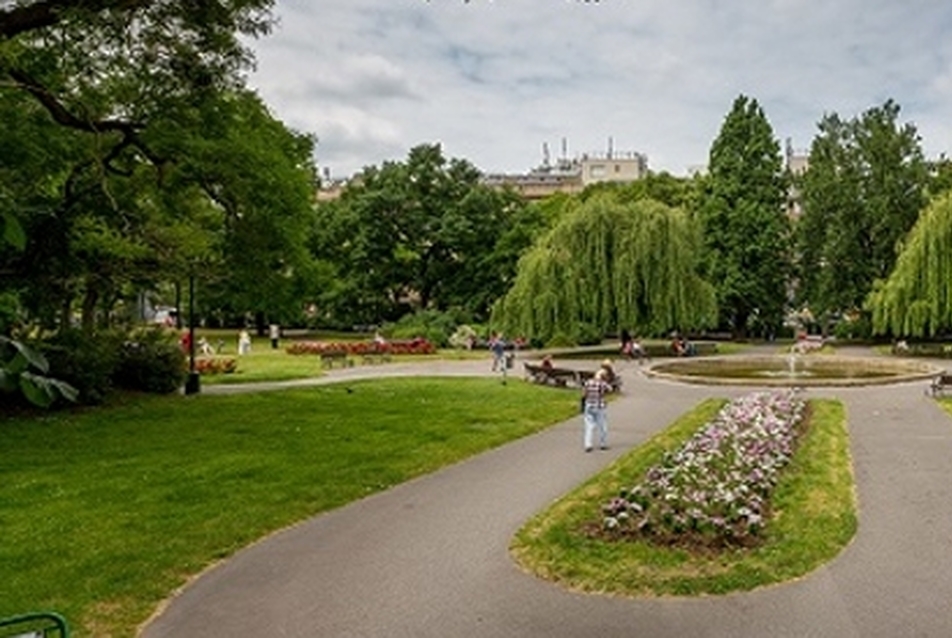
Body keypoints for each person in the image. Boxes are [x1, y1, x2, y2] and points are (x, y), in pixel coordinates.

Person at [581, 368, 611, 452]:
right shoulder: (602, 384)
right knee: (602, 425)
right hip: (599, 406)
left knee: (589, 426)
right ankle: (603, 443)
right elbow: (610, 389)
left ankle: (588, 444)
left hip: (589, 405)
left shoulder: (588, 382)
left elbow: (584, 394)